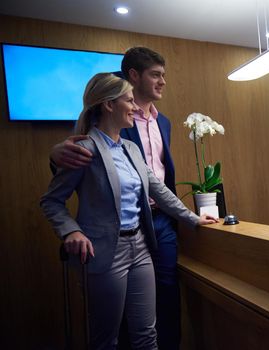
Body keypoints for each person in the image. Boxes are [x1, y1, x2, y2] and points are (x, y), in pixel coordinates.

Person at [41, 73, 218, 349]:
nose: (136, 107)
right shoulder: (84, 149)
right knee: (106, 340)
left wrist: (193, 218)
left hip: (141, 247)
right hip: (106, 252)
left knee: (147, 334)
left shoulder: (131, 148)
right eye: (129, 100)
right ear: (109, 105)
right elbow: (51, 201)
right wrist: (71, 231)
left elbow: (159, 192)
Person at [50, 47, 183, 349]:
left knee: (166, 294)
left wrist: (188, 217)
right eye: (156, 75)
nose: (163, 82)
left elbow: (159, 179)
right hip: (117, 230)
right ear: (133, 76)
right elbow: (80, 154)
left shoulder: (165, 123)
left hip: (158, 222)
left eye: (164, 75)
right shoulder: (116, 118)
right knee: (117, 316)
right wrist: (55, 154)